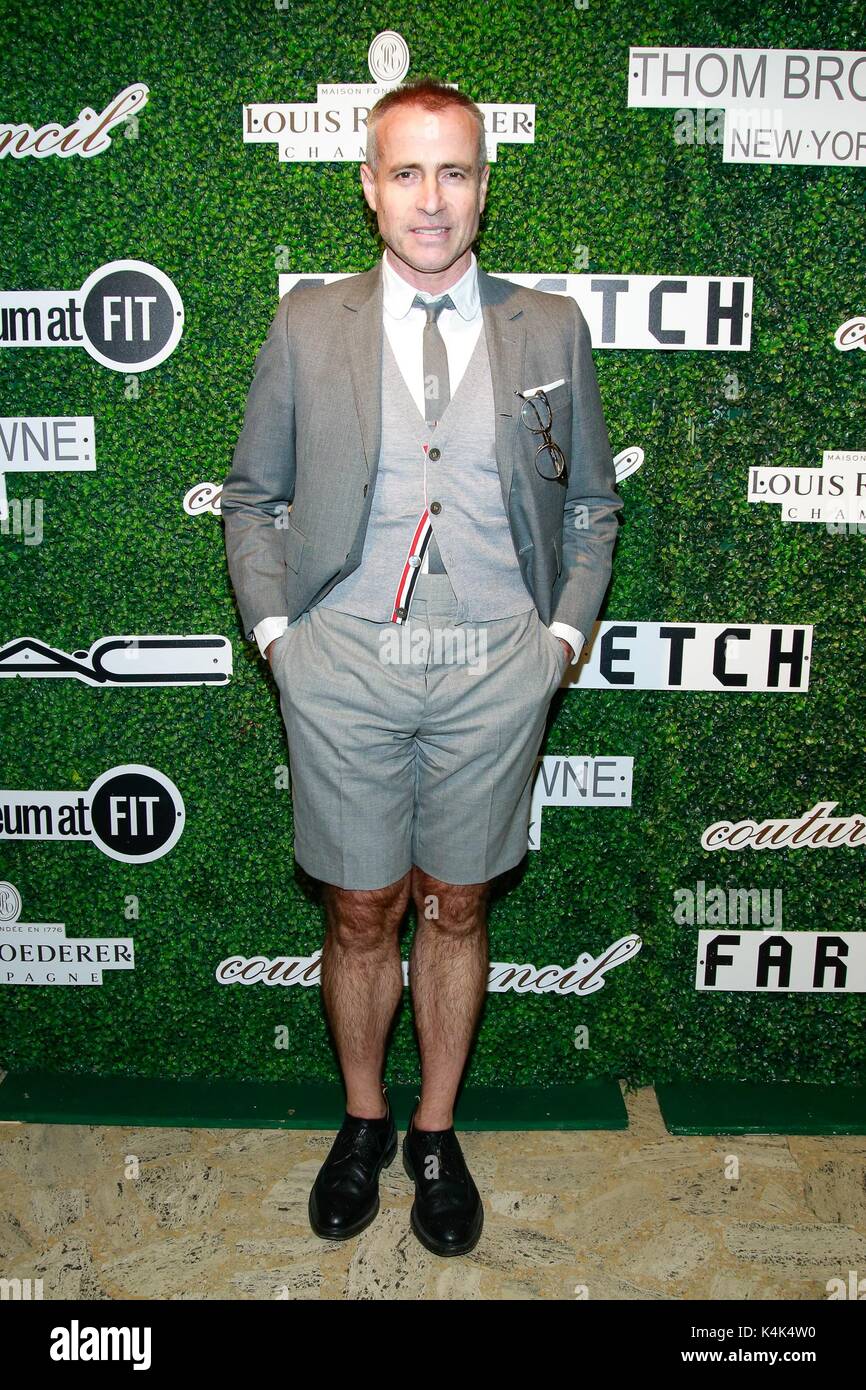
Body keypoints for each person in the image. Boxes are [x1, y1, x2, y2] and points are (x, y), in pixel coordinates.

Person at [221, 76, 622, 1257]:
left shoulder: (547, 326)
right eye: (406, 172)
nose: (430, 199)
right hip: (342, 659)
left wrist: (556, 642)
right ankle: (361, 1120)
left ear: (484, 186)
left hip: (497, 662)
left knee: (452, 906)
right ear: (368, 186)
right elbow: (251, 498)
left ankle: (435, 1133)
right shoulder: (309, 324)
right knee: (357, 911)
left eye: (454, 172)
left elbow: (592, 506)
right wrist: (278, 640)